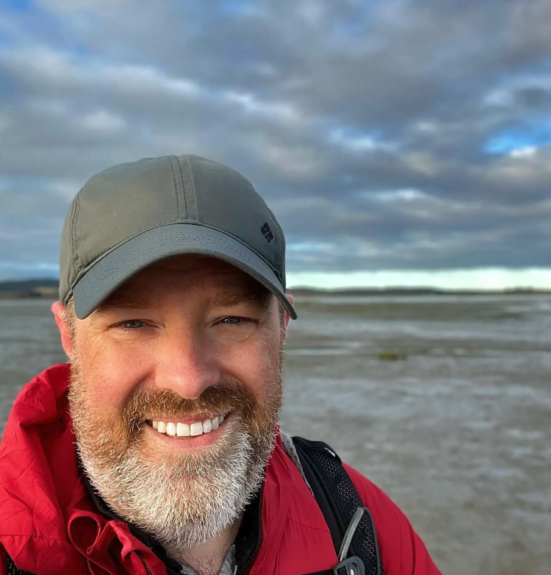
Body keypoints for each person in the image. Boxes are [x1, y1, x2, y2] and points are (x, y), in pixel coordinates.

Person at [0, 155, 441, 575]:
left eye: (232, 320)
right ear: (68, 336)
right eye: (133, 323)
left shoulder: (358, 527)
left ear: (281, 329)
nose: (189, 380)